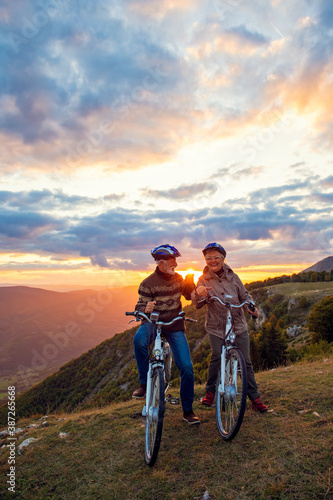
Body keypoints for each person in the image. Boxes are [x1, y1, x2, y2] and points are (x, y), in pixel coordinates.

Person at [194, 242, 268, 413]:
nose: (212, 261)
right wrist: (199, 291)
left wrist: (250, 305)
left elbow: (244, 294)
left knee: (245, 362)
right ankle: (210, 392)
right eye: (208, 258)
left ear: (223, 258)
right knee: (216, 357)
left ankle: (254, 398)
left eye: (216, 257)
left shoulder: (233, 277)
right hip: (216, 327)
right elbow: (196, 298)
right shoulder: (203, 279)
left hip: (238, 325)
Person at [132, 244, 200, 425]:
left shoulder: (178, 279)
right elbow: (139, 307)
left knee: (186, 367)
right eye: (173, 261)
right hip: (153, 323)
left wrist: (190, 282)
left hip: (174, 324)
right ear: (162, 263)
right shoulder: (147, 284)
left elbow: (189, 296)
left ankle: (187, 410)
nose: (176, 264)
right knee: (138, 340)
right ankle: (144, 383)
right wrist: (143, 309)